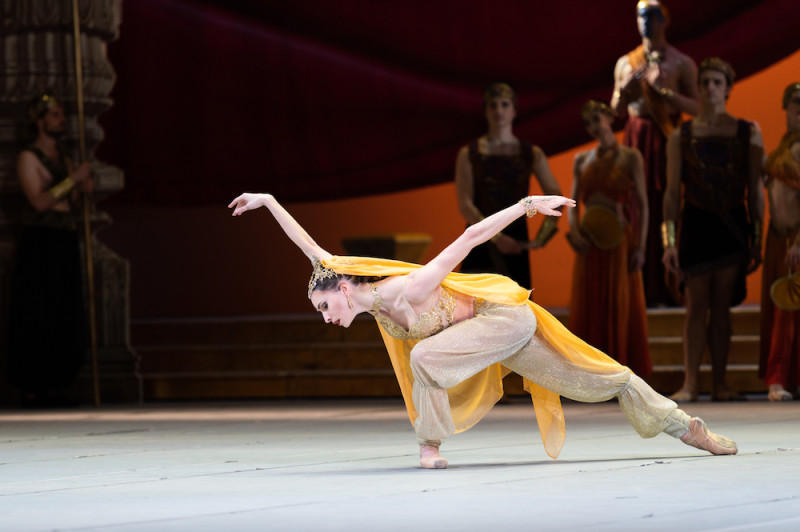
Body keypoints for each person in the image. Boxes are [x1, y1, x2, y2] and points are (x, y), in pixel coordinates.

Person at [229, 191, 738, 469]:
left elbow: (470, 236)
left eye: (322, 306)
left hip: (506, 320)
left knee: (428, 359)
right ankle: (686, 427)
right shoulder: (348, 286)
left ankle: (430, 446)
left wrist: (525, 207)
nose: (325, 317)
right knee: (594, 380)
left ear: (341, 289)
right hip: (496, 340)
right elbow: (310, 248)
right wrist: (270, 202)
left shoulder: (409, 289)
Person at [662, 58, 764, 403]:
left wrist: (758, 237)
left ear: (728, 88)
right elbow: (672, 192)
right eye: (704, 82)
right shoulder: (681, 135)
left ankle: (720, 383)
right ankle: (690, 383)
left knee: (722, 307)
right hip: (695, 223)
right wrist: (669, 241)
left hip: (732, 223)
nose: (709, 88)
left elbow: (755, 186)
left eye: (716, 82)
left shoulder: (747, 131)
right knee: (695, 305)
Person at [611, 0, 700, 307]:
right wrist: (625, 90)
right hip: (636, 137)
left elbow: (698, 108)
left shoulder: (681, 62)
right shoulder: (626, 62)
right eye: (640, 16)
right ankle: (637, 285)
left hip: (667, 139)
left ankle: (669, 284)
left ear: (666, 20)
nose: (645, 21)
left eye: (651, 15)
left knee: (668, 203)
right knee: (634, 204)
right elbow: (615, 110)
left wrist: (665, 92)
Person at [7, 92, 93, 407]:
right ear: (40, 121)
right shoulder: (29, 157)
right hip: (40, 242)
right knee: (38, 311)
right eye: (55, 115)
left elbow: (69, 204)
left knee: (63, 310)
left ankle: (58, 383)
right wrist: (73, 180)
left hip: (64, 239)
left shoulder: (63, 157)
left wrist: (82, 189)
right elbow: (39, 201)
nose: (61, 120)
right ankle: (33, 387)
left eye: (61, 114)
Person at [567, 100, 651, 377]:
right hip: (589, 242)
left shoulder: (630, 157)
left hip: (619, 241)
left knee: (620, 303)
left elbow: (642, 203)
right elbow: (573, 201)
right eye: (588, 122)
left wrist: (640, 245)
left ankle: (620, 370)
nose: (594, 126)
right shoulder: (582, 159)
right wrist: (574, 232)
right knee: (590, 304)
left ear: (609, 117)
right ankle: (589, 374)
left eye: (597, 118)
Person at [455, 82, 562, 289]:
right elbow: (465, 205)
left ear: (514, 111)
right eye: (493, 105)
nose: (499, 110)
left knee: (517, 309)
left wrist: (542, 238)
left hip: (516, 240)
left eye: (504, 104)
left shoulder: (532, 153)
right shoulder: (469, 153)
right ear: (485, 111)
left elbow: (556, 196)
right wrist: (497, 238)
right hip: (479, 239)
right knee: (472, 307)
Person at [759, 82, 800, 402]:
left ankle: (779, 378)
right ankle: (782, 377)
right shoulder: (782, 148)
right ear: (786, 106)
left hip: (795, 238)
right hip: (776, 238)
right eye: (796, 102)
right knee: (779, 310)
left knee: (790, 310)